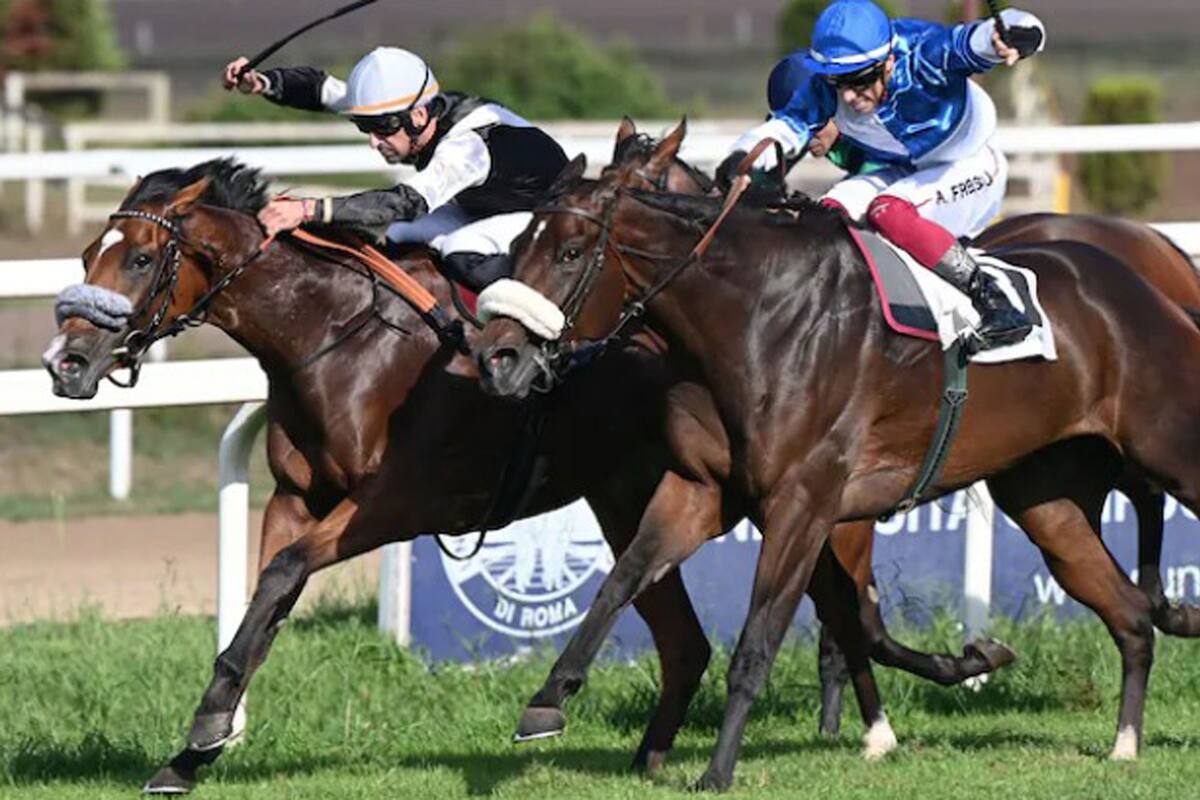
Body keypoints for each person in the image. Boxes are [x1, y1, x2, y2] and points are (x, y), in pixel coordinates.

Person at [718, 0, 1046, 348]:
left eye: (858, 81)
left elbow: (977, 39)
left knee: (887, 210)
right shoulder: (831, 87)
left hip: (971, 163)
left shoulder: (924, 55)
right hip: (906, 169)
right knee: (825, 215)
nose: (847, 96)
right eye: (836, 83)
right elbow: (788, 126)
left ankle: (995, 301)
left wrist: (1013, 33)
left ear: (889, 61)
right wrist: (742, 156)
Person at [221, 47, 568, 291]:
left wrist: (309, 209)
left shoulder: (467, 146)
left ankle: (541, 340)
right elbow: (321, 88)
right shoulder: (412, 109)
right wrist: (261, 83)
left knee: (462, 246)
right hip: (492, 208)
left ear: (418, 115)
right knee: (401, 235)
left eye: (383, 129)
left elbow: (405, 201)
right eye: (365, 128)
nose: (374, 141)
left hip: (555, 218)